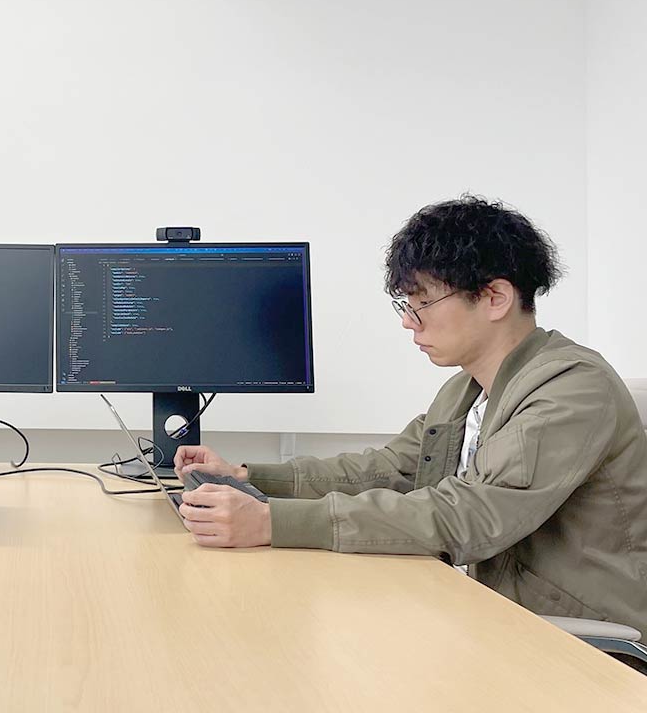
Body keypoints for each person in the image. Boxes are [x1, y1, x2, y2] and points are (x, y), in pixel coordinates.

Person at [175, 196, 647, 633]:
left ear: (495, 298)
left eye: (422, 303)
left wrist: (271, 522)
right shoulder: (465, 391)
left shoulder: (573, 389)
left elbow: (472, 515)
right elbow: (388, 469)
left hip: (577, 642)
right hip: (487, 611)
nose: (408, 320)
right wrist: (248, 475)